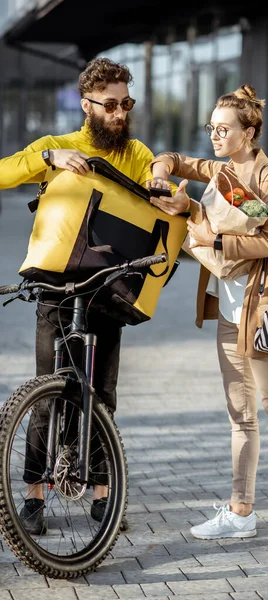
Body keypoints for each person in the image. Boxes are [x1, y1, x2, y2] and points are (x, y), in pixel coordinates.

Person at [0, 57, 189, 535]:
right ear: (88, 105)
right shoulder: (58, 145)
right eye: (111, 104)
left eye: (127, 103)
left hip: (111, 286)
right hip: (57, 285)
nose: (121, 113)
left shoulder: (135, 151)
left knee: (102, 394)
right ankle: (34, 498)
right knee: (45, 394)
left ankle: (104, 496)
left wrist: (162, 179)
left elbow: (160, 174)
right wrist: (47, 160)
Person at [149, 84, 268, 551]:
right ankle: (241, 510)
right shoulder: (222, 169)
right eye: (211, 127)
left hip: (260, 308)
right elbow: (174, 159)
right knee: (240, 414)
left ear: (249, 132)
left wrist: (212, 237)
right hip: (228, 310)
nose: (214, 135)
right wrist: (160, 170)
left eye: (223, 129)